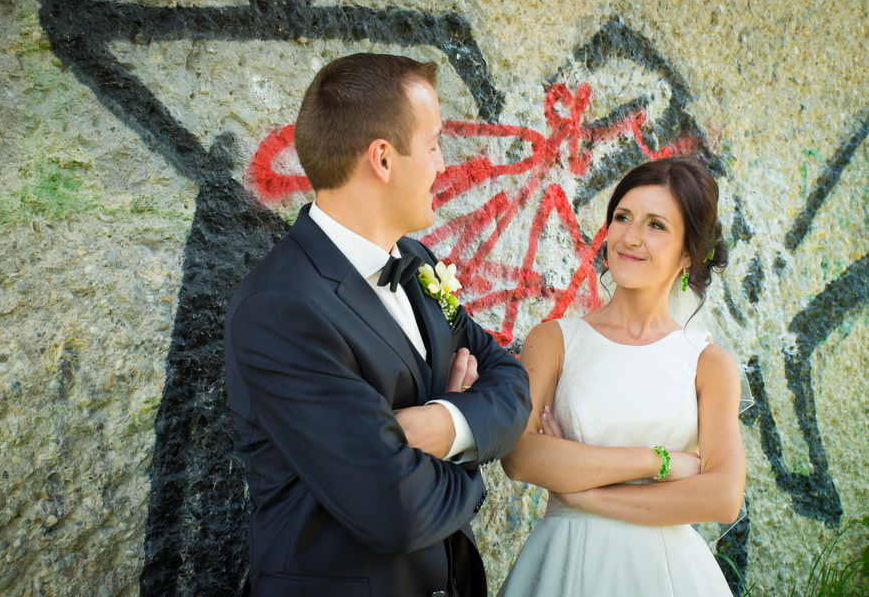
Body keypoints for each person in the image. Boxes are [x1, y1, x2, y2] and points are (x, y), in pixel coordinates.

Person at [224, 53, 531, 596]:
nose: (443, 164)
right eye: (434, 143)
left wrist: (445, 426)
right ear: (383, 159)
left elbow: (509, 378)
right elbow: (398, 509)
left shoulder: (420, 263)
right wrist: (471, 461)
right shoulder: (281, 308)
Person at [498, 157, 745, 596]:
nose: (630, 237)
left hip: (667, 575)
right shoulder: (554, 341)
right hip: (564, 564)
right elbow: (520, 457)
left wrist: (583, 492)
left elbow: (723, 496)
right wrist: (660, 461)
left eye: (656, 225)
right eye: (622, 217)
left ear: (688, 252)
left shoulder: (709, 364)